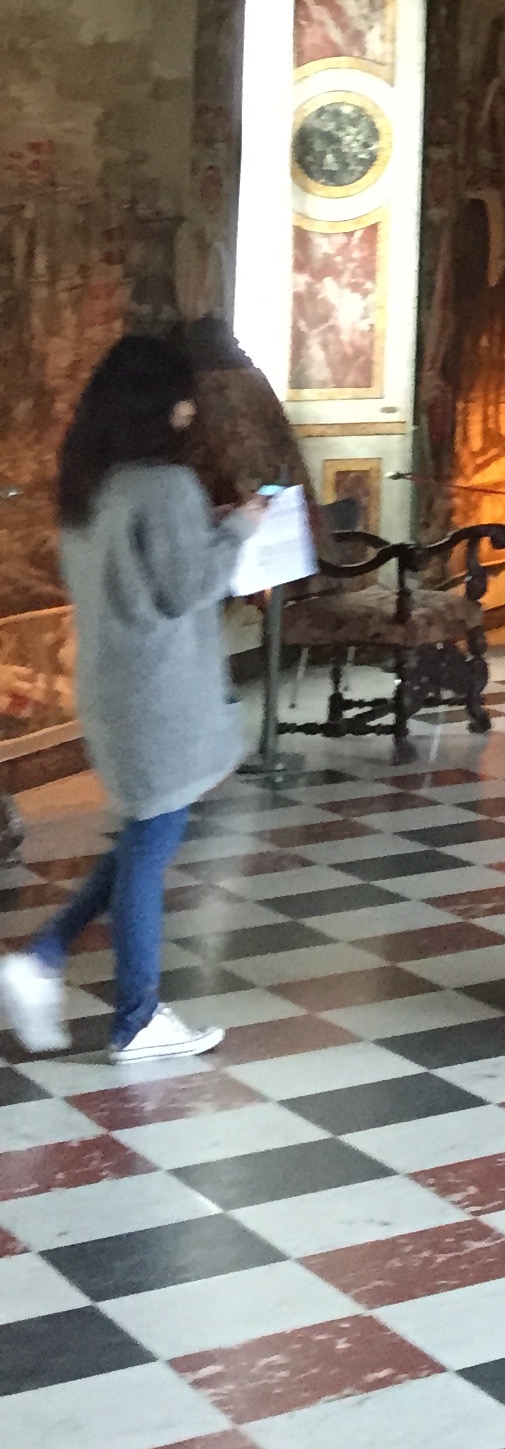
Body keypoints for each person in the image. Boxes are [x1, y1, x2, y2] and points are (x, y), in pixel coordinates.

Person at [0, 334, 262, 1064]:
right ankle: (136, 1019)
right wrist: (240, 528)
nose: (190, 410)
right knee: (149, 849)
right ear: (159, 403)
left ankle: (41, 959)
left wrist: (209, 531)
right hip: (161, 695)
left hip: (113, 689)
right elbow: (186, 587)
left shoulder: (88, 483)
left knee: (143, 837)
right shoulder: (165, 484)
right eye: (183, 397)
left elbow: (143, 571)